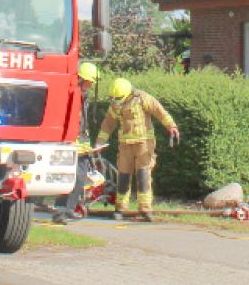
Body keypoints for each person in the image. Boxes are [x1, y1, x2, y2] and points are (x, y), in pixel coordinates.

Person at [95, 78, 179, 222]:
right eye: (113, 98)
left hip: (144, 144)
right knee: (123, 177)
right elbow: (107, 125)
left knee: (143, 176)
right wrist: (99, 143)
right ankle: (120, 209)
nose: (116, 101)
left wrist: (171, 126)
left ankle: (145, 209)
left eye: (118, 98)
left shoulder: (142, 98)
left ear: (128, 94)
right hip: (125, 146)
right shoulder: (115, 105)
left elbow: (159, 111)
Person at [53, 62, 99, 224]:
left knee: (78, 178)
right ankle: (62, 211)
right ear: (81, 79)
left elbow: (83, 124)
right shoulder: (74, 95)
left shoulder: (82, 96)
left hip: (81, 144)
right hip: (73, 143)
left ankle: (68, 209)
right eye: (90, 81)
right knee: (74, 177)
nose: (92, 84)